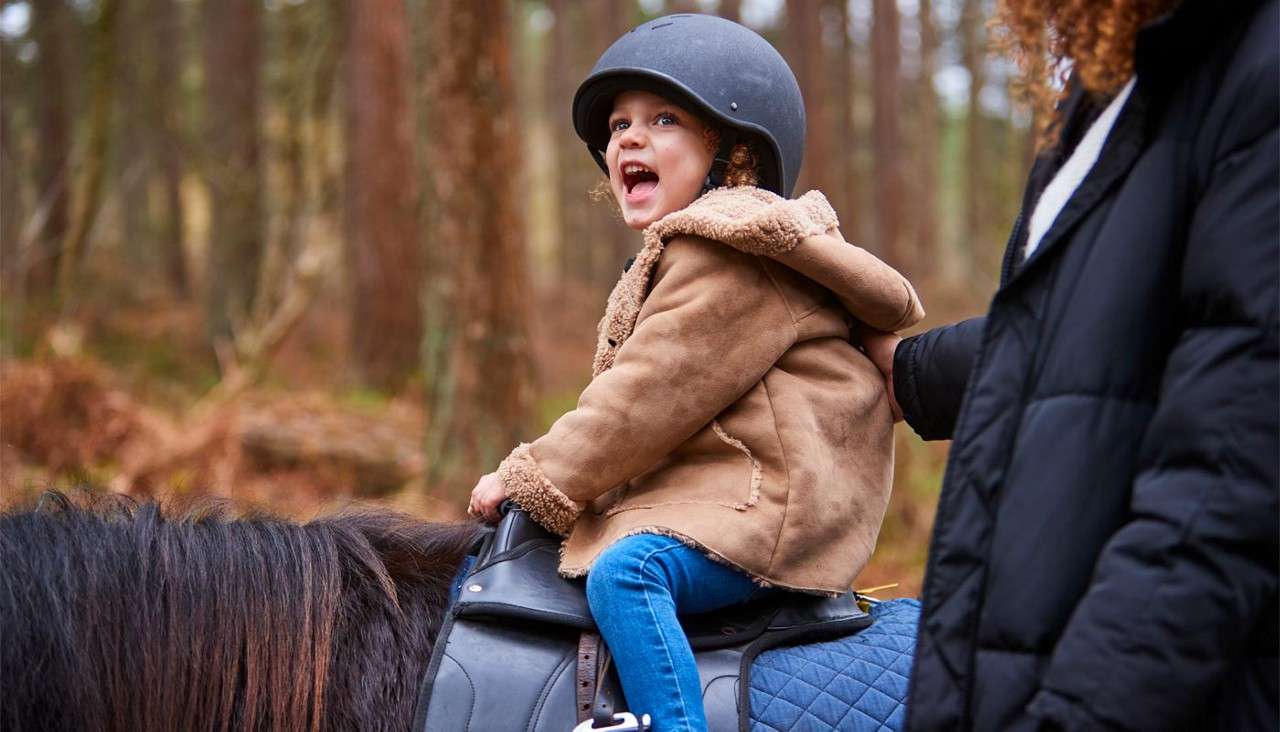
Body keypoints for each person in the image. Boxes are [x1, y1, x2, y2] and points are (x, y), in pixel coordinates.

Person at [722, 0, 1279, 728]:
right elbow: (1097, 330)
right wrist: (911, 374)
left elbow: (1225, 483)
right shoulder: (1123, 85)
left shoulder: (1257, 72)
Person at [468, 14, 924, 731]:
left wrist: (533, 478)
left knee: (627, 575)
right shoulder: (687, 255)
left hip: (767, 505)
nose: (628, 139)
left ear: (733, 152)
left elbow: (643, 398)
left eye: (664, 118)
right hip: (724, 492)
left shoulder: (731, 257)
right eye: (618, 125)